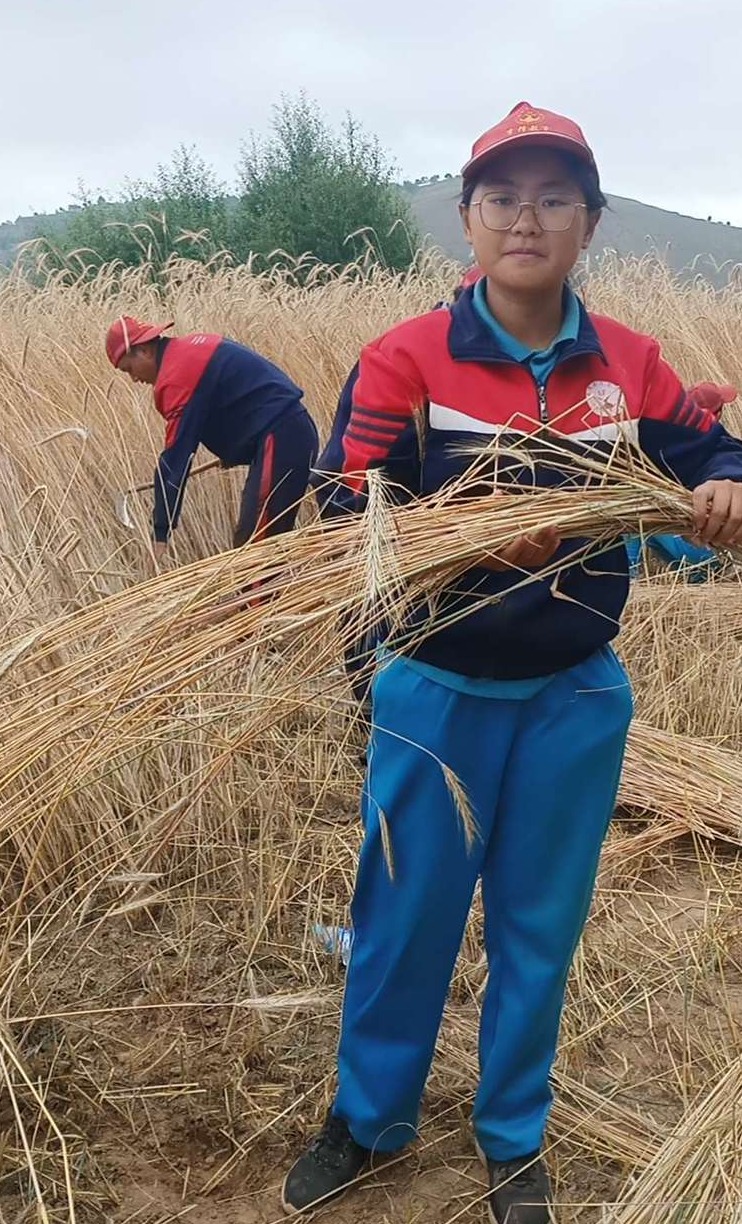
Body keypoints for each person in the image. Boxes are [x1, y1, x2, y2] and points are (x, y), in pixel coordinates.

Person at [282, 101, 742, 1223]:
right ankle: (369, 1119)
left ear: (589, 221)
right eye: (501, 198)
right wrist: (476, 527)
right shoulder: (406, 358)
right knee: (403, 917)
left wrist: (726, 480)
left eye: (552, 198)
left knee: (540, 923)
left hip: (574, 694)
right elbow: (348, 504)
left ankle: (512, 1140)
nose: (524, 219)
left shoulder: (626, 362)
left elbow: (710, 444)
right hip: (435, 686)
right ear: (468, 219)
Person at [105, 317, 318, 558]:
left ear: (143, 349)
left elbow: (176, 457)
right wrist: (234, 451)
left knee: (255, 552)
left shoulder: (177, 375)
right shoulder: (188, 350)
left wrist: (161, 533)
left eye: (129, 369)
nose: (134, 379)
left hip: (282, 438)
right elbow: (234, 400)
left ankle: (262, 596)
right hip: (288, 434)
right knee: (255, 542)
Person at [624, 382, 738, 581]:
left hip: (708, 549)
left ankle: (627, 577)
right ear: (717, 414)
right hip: (708, 550)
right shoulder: (715, 452)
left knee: (634, 511)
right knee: (637, 510)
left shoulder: (668, 446)